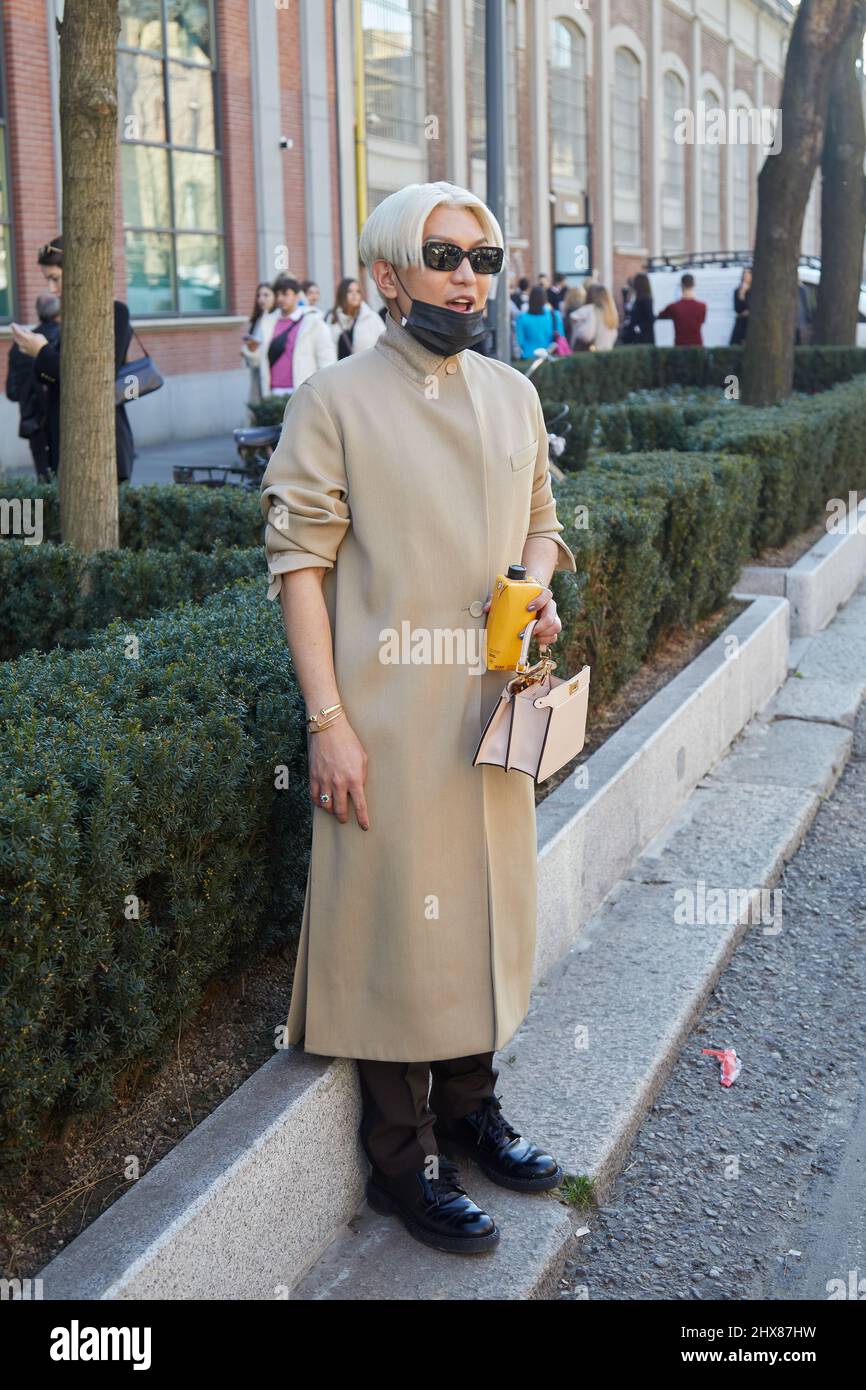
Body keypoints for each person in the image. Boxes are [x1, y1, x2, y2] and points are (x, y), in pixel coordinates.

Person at [259, 179, 575, 1255]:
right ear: (388, 273)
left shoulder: (512, 393)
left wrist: (533, 585)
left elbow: (541, 522)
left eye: (483, 259)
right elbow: (299, 564)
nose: (466, 277)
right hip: (385, 716)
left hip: (488, 704)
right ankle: (399, 1164)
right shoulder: (333, 400)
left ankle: (470, 1114)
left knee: (482, 909)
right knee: (394, 921)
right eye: (443, 254)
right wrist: (328, 721)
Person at [9, 237, 136, 481]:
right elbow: (53, 378)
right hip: (64, 444)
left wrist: (42, 352)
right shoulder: (67, 319)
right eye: (48, 280)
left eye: (55, 279)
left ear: (79, 271)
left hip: (102, 446)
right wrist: (35, 355)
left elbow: (90, 380)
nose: (52, 290)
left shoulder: (114, 313)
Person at [245, 275, 336, 396]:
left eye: (285, 294)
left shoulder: (314, 323)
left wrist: (324, 393)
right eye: (277, 295)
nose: (280, 298)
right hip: (272, 392)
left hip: (303, 392)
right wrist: (252, 350)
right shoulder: (267, 323)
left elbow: (327, 362)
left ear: (297, 296)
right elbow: (257, 363)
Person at [5, 292, 61, 480]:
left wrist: (27, 392)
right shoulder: (64, 339)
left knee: (45, 481)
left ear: (37, 312)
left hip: (33, 423)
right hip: (60, 421)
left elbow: (12, 392)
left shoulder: (21, 344)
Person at [325, 277, 386, 359]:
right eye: (350, 291)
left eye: (358, 291)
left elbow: (384, 344)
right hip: (339, 370)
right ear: (342, 294)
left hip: (364, 369)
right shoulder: (332, 318)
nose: (354, 294)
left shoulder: (371, 317)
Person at [241, 282, 278, 402]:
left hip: (273, 373)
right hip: (257, 373)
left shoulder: (277, 319)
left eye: (266, 295)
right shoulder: (257, 320)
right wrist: (249, 349)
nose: (261, 299)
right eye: (258, 295)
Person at [657, 272, 707, 347]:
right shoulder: (702, 306)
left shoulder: (673, 307)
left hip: (680, 346)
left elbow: (660, 315)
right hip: (697, 346)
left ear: (681, 285)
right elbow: (702, 320)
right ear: (694, 285)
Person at [515, 284, 565, 358]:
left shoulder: (522, 318)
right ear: (545, 299)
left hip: (529, 356)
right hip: (550, 355)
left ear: (530, 299)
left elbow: (520, 341)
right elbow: (561, 336)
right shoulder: (555, 315)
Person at [570, 282, 619, 351]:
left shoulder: (590, 309)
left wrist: (577, 328)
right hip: (607, 352)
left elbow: (586, 335)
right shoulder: (611, 312)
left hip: (591, 353)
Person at [621, 272, 656, 346]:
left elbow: (651, 319)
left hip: (643, 338)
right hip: (636, 337)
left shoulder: (646, 300)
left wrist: (638, 328)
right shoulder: (637, 299)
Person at [730, 267, 751, 345]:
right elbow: (738, 308)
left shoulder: (755, 291)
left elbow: (749, 307)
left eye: (748, 273)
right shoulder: (737, 291)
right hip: (740, 322)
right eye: (744, 273)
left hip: (750, 322)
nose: (746, 275)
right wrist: (742, 294)